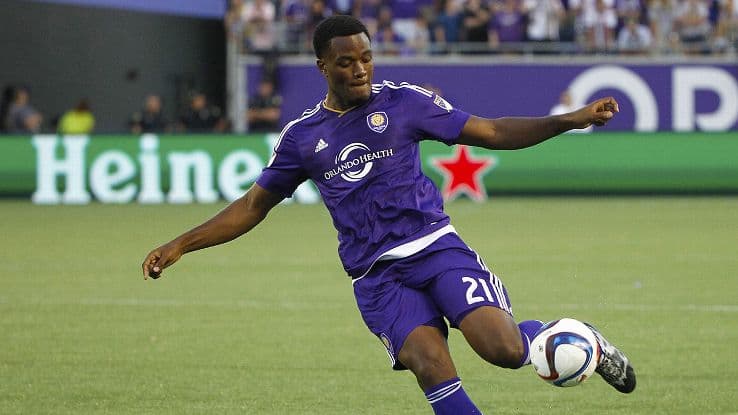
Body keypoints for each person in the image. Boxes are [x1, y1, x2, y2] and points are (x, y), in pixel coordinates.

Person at [141, 15, 636, 414]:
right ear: (322, 67)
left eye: (366, 58)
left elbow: (491, 132)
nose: (360, 70)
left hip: (436, 249)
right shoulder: (302, 138)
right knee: (430, 363)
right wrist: (181, 243)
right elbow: (253, 206)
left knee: (504, 351)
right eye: (346, 62)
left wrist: (569, 120)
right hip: (377, 277)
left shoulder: (404, 104)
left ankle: (578, 339)